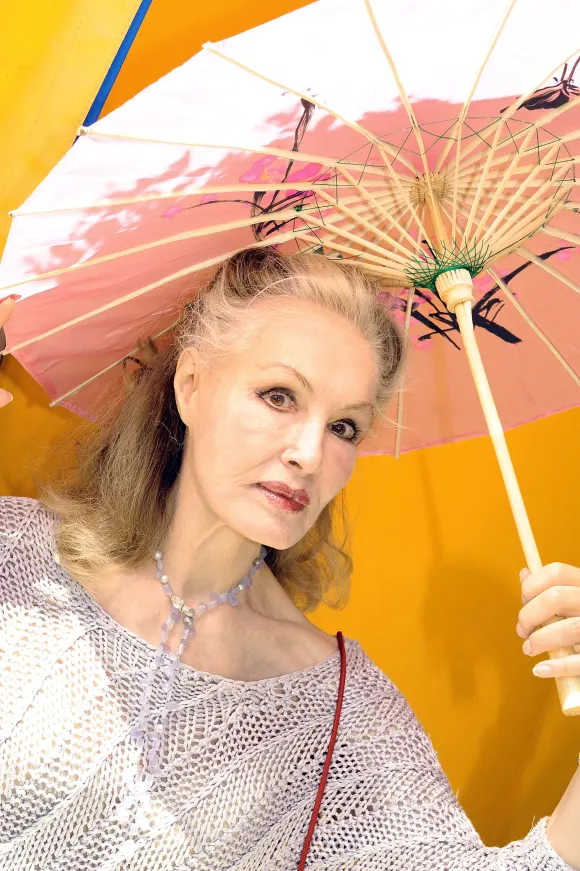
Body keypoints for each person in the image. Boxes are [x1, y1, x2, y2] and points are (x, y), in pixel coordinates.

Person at [0, 247, 579, 871]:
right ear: (190, 385)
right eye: (279, 396)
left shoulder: (341, 710)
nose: (308, 451)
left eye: (345, 427)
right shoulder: (14, 553)